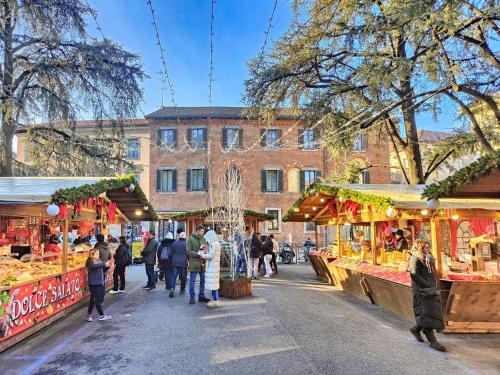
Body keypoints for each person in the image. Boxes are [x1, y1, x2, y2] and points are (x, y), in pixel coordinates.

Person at [409, 240, 446, 351]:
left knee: (430, 312)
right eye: (425, 247)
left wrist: (435, 285)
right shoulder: (415, 258)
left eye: (428, 247)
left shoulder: (428, 258)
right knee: (425, 313)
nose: (428, 249)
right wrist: (426, 284)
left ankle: (416, 329)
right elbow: (414, 274)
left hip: (430, 289)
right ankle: (433, 341)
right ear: (419, 248)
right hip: (421, 290)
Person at [86, 248, 112, 322]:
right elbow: (94, 267)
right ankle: (102, 315)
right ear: (92, 255)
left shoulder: (99, 260)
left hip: (99, 282)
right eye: (97, 254)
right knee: (97, 300)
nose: (98, 255)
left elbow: (102, 269)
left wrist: (107, 266)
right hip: (94, 283)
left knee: (93, 299)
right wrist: (104, 264)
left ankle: (89, 315)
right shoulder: (89, 261)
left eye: (98, 253)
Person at [186, 224, 210, 304]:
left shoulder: (204, 239)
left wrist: (206, 250)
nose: (203, 233)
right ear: (197, 231)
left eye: (203, 231)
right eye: (202, 231)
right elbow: (188, 251)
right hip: (194, 263)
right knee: (192, 280)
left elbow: (206, 248)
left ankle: (201, 296)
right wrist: (198, 253)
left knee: (203, 280)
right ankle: (192, 297)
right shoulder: (190, 239)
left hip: (202, 263)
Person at [200, 230, 222, 308]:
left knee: (214, 285)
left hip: (213, 267)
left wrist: (202, 255)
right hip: (214, 267)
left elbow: (210, 256)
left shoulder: (214, 245)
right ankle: (215, 299)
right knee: (214, 284)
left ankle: (216, 300)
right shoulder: (216, 244)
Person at [168, 230, 188, 297]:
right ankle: (182, 290)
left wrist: (171, 261)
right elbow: (188, 253)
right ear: (185, 237)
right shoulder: (186, 243)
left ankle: (172, 289)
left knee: (173, 277)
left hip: (174, 263)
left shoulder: (174, 243)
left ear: (179, 236)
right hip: (183, 263)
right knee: (183, 277)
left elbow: (170, 254)